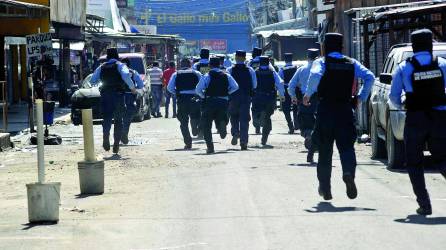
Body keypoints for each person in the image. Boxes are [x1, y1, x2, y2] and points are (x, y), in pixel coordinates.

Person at [303, 33, 375, 201]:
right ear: (342, 48)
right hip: (345, 110)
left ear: (324, 48)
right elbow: (370, 77)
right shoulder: (351, 63)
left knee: (324, 151)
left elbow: (314, 76)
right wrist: (360, 98)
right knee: (347, 148)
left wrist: (307, 94)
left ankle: (326, 188)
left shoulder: (321, 62)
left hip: (326, 110)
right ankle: (348, 173)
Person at [389, 29, 446, 215]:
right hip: (439, 119)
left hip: (415, 119)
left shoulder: (404, 68)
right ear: (430, 45)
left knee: (414, 162)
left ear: (413, 46)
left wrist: (406, 102)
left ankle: (425, 205)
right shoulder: (443, 65)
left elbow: (394, 97)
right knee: (443, 159)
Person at [90, 48, 136, 154]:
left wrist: (102, 85)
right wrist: (132, 88)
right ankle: (116, 144)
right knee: (118, 120)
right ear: (117, 56)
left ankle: (106, 137)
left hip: (105, 95)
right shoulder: (120, 65)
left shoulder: (102, 67)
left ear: (107, 57)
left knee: (106, 118)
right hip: (118, 95)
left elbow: (93, 80)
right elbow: (126, 76)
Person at [196, 57, 239, 154]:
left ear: (209, 65)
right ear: (219, 65)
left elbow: (198, 90)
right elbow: (236, 87)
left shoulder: (207, 76)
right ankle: (221, 126)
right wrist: (227, 93)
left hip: (210, 101)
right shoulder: (227, 75)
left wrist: (204, 96)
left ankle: (210, 147)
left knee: (207, 125)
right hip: (223, 102)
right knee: (221, 117)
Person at [289, 48, 320, 163]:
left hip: (304, 100)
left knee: (306, 125)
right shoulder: (322, 70)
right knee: (319, 127)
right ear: (318, 57)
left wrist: (293, 97)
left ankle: (308, 134)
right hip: (319, 100)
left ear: (308, 57)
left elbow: (291, 85)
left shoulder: (301, 70)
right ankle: (312, 152)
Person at [167, 58, 203, 149]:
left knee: (183, 122)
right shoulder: (196, 73)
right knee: (196, 116)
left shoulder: (176, 74)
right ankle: (195, 127)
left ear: (181, 65)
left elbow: (170, 88)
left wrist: (177, 92)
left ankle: (188, 142)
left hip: (182, 99)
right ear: (190, 65)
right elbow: (202, 86)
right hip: (194, 99)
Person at [252, 56, 286, 146]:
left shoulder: (255, 72)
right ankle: (264, 138)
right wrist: (282, 95)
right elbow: (280, 82)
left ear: (260, 63)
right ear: (268, 63)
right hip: (269, 98)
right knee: (267, 117)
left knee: (256, 113)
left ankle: (258, 120)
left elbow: (253, 84)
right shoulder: (272, 72)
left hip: (258, 97)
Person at [227, 50, 257, 150]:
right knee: (244, 119)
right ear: (245, 59)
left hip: (233, 97)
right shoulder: (250, 70)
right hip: (246, 97)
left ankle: (235, 132)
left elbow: (227, 84)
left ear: (235, 58)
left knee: (234, 116)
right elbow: (255, 85)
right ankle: (244, 142)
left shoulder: (230, 70)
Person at [120, 58, 145, 145]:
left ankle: (118, 134)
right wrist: (135, 88)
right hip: (129, 96)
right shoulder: (133, 72)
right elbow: (141, 85)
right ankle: (124, 132)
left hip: (116, 96)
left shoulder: (116, 72)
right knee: (128, 116)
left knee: (118, 116)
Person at [279, 53, 299, 134]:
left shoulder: (282, 69)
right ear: (292, 60)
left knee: (285, 109)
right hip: (295, 90)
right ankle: (296, 124)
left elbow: (280, 81)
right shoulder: (296, 68)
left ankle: (290, 126)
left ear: (285, 60)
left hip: (286, 90)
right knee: (296, 107)